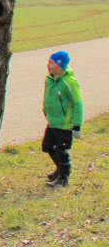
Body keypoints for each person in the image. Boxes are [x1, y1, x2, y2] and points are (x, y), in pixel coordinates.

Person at [41, 50, 83, 188]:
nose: (48, 65)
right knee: (47, 146)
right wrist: (45, 110)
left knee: (61, 150)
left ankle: (63, 178)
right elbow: (48, 98)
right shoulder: (50, 79)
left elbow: (77, 104)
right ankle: (60, 169)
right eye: (48, 62)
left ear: (60, 65)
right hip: (53, 122)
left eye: (51, 63)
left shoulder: (69, 82)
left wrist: (76, 125)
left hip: (64, 124)